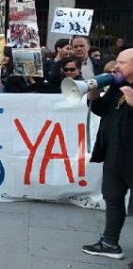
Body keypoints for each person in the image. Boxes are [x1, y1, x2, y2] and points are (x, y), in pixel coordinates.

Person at [82, 48, 133, 262]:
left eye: (122, 62)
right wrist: (93, 93)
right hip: (114, 154)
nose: (116, 66)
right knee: (112, 198)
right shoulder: (116, 85)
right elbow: (102, 110)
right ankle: (109, 243)